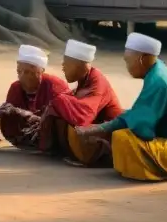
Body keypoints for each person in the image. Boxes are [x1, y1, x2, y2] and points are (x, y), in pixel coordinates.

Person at [77, 32, 167, 182]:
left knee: (123, 137)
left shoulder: (160, 82)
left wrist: (100, 129)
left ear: (142, 59)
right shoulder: (158, 73)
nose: (127, 67)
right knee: (122, 126)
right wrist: (103, 127)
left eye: (128, 61)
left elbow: (143, 129)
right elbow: (138, 114)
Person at [38, 39, 123, 167]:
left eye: (66, 63)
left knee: (63, 108)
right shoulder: (83, 81)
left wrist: (61, 99)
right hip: (96, 128)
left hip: (110, 134)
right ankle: (66, 152)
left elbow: (84, 115)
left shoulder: (97, 81)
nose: (63, 66)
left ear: (78, 65)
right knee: (59, 110)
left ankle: (87, 158)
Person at [0, 45, 70, 149]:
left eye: (27, 72)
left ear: (40, 72)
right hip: (27, 134)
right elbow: (12, 113)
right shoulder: (16, 87)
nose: (21, 76)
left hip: (52, 134)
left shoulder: (55, 85)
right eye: (19, 71)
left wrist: (26, 115)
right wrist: (6, 111)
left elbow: (60, 120)